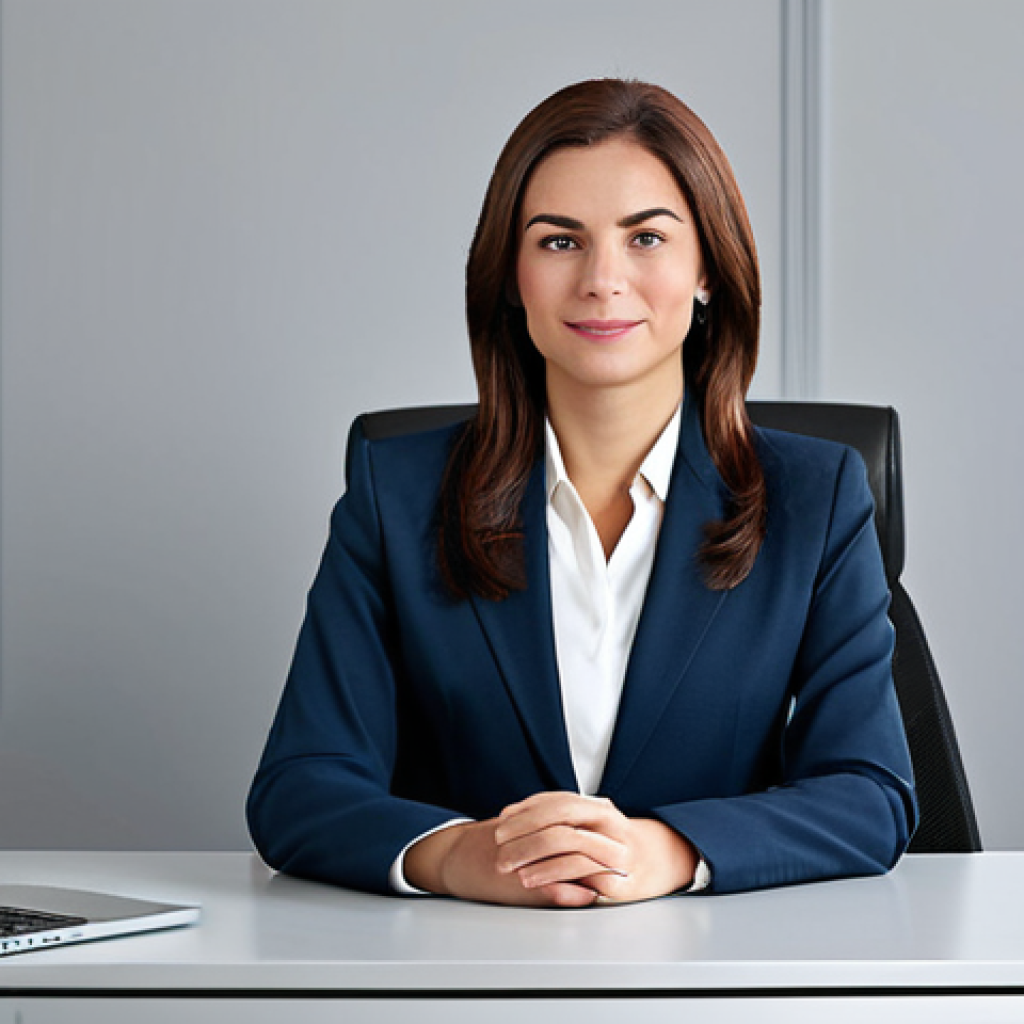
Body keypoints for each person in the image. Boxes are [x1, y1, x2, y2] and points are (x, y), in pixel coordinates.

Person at [246, 78, 917, 907]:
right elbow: (299, 786)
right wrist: (455, 856)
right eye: (560, 241)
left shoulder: (817, 498)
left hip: (716, 962)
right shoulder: (398, 494)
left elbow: (870, 793)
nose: (602, 279)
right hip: (460, 957)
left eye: (646, 238)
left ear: (708, 269)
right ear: (510, 276)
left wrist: (669, 851)